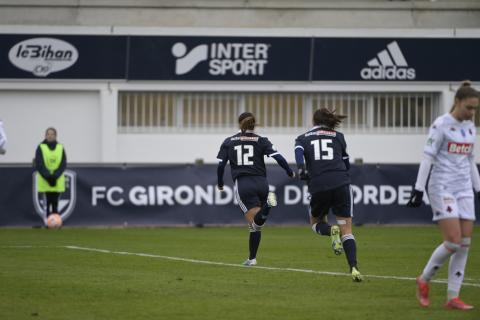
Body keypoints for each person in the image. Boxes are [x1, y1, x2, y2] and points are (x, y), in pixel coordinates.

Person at [407, 81, 479, 310]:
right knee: (454, 241)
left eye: (475, 108)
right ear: (457, 102)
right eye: (469, 107)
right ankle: (424, 279)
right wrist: (419, 189)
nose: (472, 112)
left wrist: (478, 188)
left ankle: (452, 297)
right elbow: (427, 157)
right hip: (442, 187)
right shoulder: (440, 125)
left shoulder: (470, 126)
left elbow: (469, 160)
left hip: (464, 187)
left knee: (465, 243)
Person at [217, 112, 295, 266]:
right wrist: (289, 171)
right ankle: (252, 258)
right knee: (255, 227)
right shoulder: (261, 140)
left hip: (244, 183)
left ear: (240, 123)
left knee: (254, 225)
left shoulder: (229, 141)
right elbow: (278, 157)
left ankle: (267, 207)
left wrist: (220, 183)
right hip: (262, 183)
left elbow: (221, 165)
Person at [294, 108, 362, 282]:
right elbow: (346, 164)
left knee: (316, 222)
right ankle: (353, 267)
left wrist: (301, 168)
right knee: (347, 229)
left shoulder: (303, 138)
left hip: (319, 184)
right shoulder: (339, 137)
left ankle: (331, 230)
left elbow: (299, 152)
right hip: (341, 184)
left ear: (313, 121)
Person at [34, 127, 67, 222]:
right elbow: (39, 163)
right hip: (45, 180)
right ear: (45, 135)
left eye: (52, 134)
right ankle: (47, 221)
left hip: (57, 179)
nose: (50, 135)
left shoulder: (60, 147)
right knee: (47, 202)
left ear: (55, 136)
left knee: (55, 202)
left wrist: (55, 175)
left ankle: (56, 222)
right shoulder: (40, 147)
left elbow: (63, 163)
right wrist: (48, 176)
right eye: (48, 134)